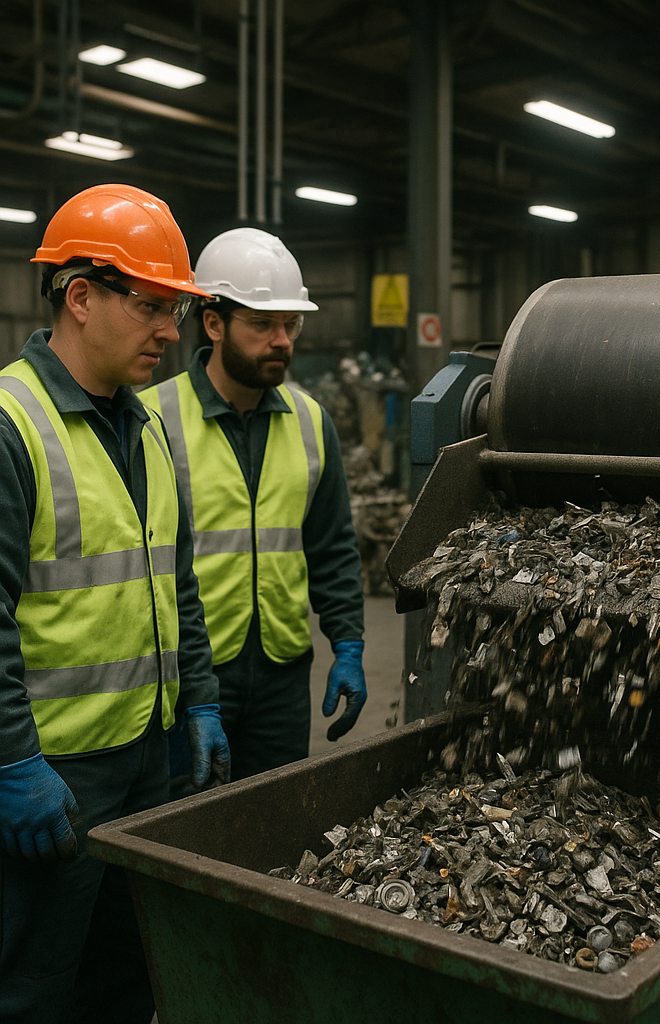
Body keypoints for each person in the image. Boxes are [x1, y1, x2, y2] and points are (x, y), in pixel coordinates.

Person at [0, 184, 231, 1024]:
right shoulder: (12, 426)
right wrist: (11, 760)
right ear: (80, 297)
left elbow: (178, 583)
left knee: (131, 979)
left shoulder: (145, 426)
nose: (171, 331)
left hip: (147, 762)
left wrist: (200, 699)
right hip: (51, 782)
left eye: (175, 309)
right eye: (151, 307)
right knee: (36, 989)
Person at [139, 226, 366, 786]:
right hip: (189, 675)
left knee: (274, 818)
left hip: (281, 676)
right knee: (188, 822)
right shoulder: (152, 419)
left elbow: (332, 546)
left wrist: (349, 644)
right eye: (263, 324)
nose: (282, 340)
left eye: (291, 324)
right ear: (214, 324)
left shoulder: (311, 422)